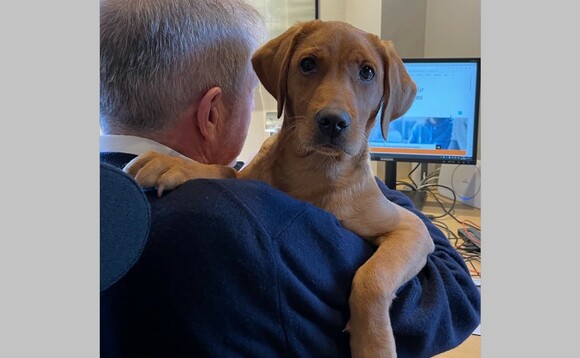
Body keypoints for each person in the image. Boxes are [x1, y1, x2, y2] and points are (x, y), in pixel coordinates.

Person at [99, 0, 481, 357]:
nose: (333, 106)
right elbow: (458, 297)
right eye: (309, 66)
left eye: (365, 73)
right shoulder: (255, 230)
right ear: (211, 113)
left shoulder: (112, 194)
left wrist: (373, 291)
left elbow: (245, 182)